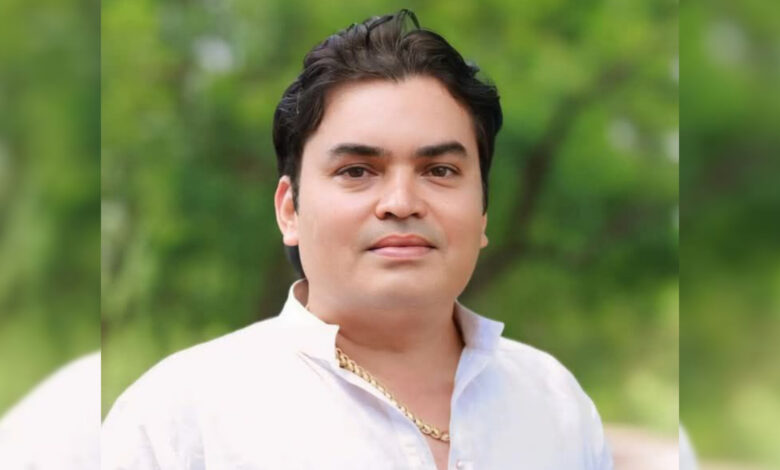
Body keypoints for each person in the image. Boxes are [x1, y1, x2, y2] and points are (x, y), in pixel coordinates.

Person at [102, 10, 612, 469]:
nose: (401, 202)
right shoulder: (182, 421)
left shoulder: (553, 404)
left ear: (482, 213)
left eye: (439, 170)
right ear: (290, 210)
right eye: (356, 171)